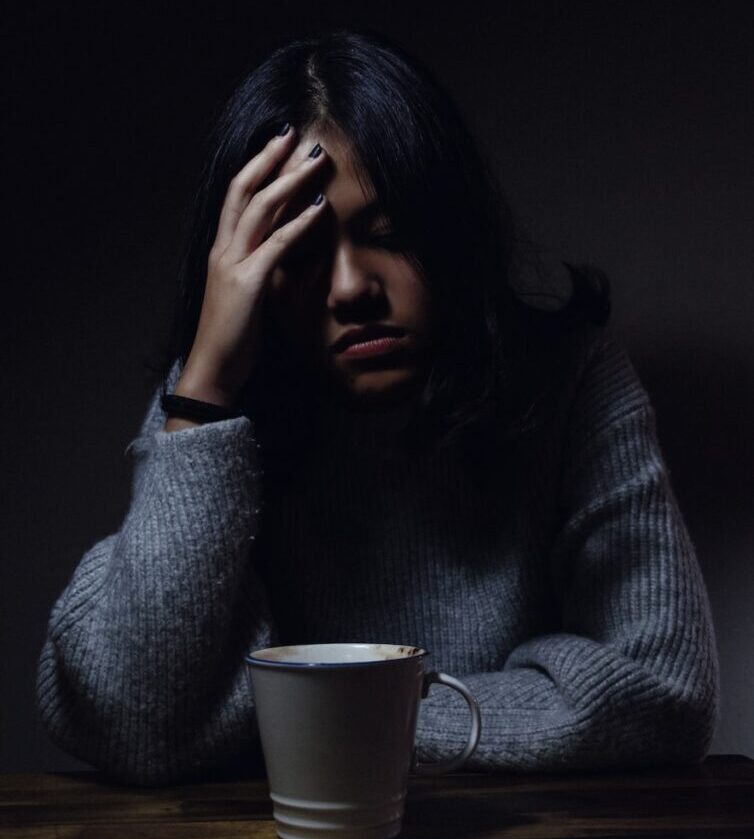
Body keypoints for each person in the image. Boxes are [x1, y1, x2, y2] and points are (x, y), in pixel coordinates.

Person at [36, 26, 719, 786]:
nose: (351, 288)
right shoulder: (217, 406)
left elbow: (667, 688)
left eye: (389, 234)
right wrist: (202, 391)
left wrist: (332, 721)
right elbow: (136, 717)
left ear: (453, 229)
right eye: (296, 253)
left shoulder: (571, 380)